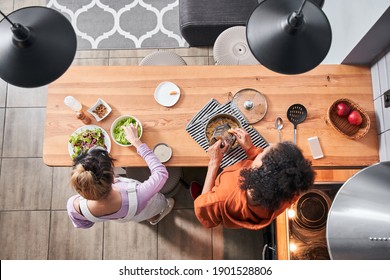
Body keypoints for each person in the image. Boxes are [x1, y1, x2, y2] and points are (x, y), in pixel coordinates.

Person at [193, 127, 315, 230]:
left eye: (264, 152)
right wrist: (251, 150)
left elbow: (202, 209)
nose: (265, 148)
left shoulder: (221, 198)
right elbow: (274, 172)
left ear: (257, 168)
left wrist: (214, 163)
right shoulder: (290, 188)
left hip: (216, 198)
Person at [67, 123, 174, 228]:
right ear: (113, 175)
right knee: (155, 208)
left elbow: (85, 224)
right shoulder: (139, 194)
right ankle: (156, 217)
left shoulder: (74, 206)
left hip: (125, 216)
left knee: (139, 216)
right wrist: (137, 142)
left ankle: (151, 219)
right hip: (146, 206)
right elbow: (161, 173)